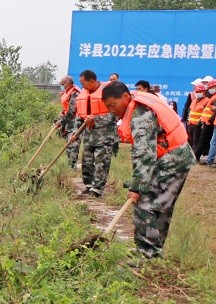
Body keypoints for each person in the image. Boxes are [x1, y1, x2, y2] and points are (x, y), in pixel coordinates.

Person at [101, 81, 194, 261]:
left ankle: (147, 255)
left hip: (172, 160)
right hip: (173, 157)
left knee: (145, 204)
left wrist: (136, 187)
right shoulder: (136, 104)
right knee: (159, 206)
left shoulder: (140, 115)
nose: (112, 110)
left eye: (113, 105)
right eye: (108, 107)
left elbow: (145, 155)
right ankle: (152, 252)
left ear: (126, 97)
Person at [76, 70, 118, 198]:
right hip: (89, 134)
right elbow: (81, 115)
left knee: (101, 162)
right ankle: (88, 186)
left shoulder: (107, 92)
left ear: (92, 81)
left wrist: (96, 119)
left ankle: (97, 189)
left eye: (84, 84)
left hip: (105, 135)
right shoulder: (85, 94)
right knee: (87, 161)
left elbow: (114, 114)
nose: (83, 87)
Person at [57, 76, 82, 169]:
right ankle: (70, 165)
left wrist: (61, 122)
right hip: (69, 122)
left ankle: (72, 165)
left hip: (76, 122)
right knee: (68, 144)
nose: (62, 87)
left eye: (63, 85)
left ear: (69, 84)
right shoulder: (67, 93)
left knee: (73, 144)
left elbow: (71, 111)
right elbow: (66, 109)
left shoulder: (75, 93)